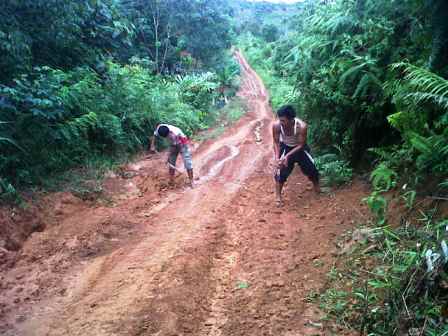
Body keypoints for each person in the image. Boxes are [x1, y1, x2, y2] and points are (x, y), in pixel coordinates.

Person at [272, 105, 320, 206]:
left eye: (283, 120)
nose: (281, 122)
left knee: (311, 168)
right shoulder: (276, 126)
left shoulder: (301, 126)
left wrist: (287, 156)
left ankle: (317, 187)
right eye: (280, 120)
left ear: (291, 119)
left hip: (299, 149)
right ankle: (278, 196)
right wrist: (277, 158)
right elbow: (276, 142)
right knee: (280, 172)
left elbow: (301, 145)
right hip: (285, 147)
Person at [150, 124, 194, 188]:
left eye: (167, 136)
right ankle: (171, 181)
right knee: (171, 162)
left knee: (187, 162)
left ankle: (191, 181)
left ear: (170, 132)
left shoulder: (176, 133)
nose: (166, 138)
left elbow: (181, 145)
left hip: (182, 143)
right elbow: (154, 135)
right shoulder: (160, 128)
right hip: (173, 145)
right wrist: (152, 145)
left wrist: (168, 156)